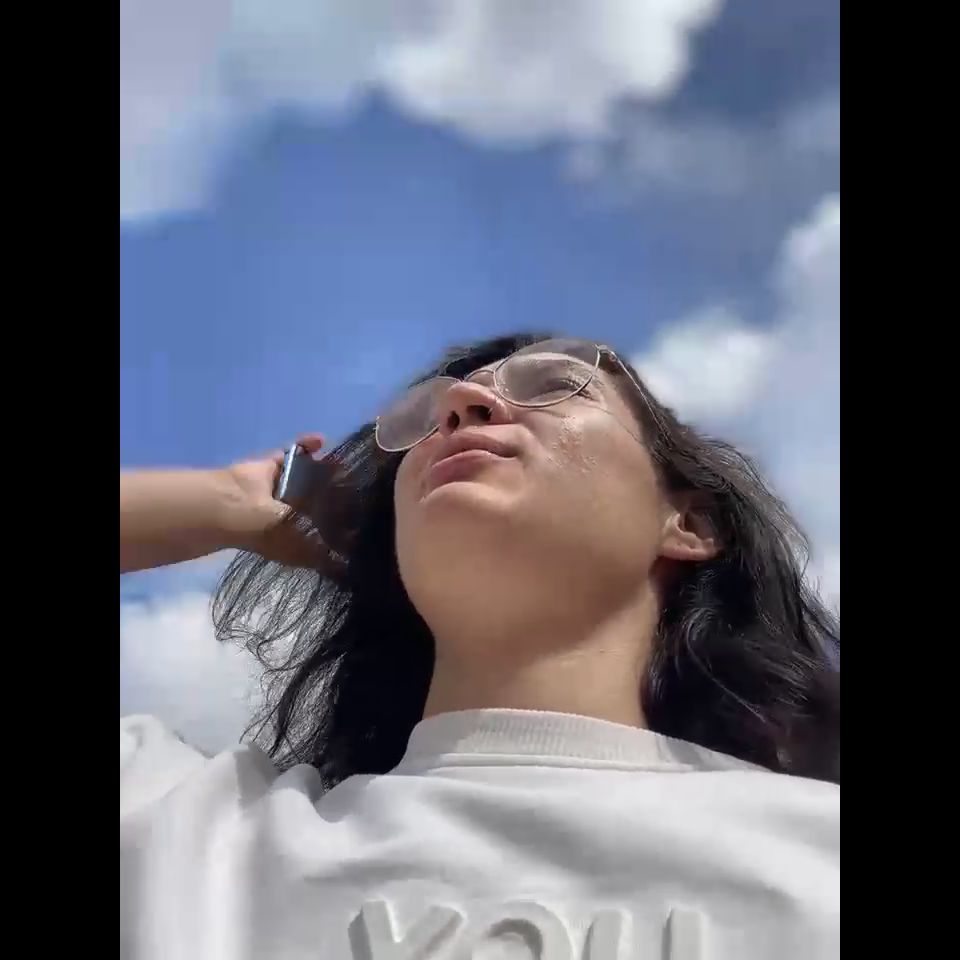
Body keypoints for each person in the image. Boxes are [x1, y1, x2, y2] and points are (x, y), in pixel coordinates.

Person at [120, 334, 839, 960]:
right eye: (426, 417)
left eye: (557, 384)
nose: (462, 403)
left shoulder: (816, 848)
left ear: (690, 523)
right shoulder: (192, 835)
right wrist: (231, 502)